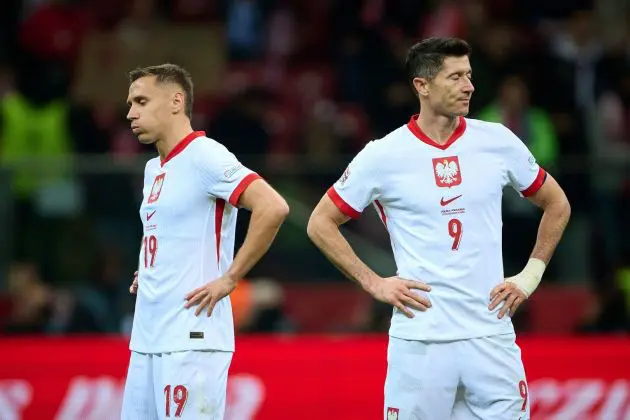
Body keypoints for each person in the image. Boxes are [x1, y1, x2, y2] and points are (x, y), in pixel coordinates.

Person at [307, 37, 571, 419]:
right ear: (422, 86)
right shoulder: (383, 155)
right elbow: (320, 222)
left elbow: (557, 203)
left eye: (469, 75)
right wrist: (374, 282)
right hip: (422, 341)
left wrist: (530, 275)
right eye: (455, 77)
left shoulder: (496, 140)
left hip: (490, 336)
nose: (469, 86)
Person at [121, 63, 289, 420]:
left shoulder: (205, 155)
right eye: (131, 103)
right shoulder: (154, 168)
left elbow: (272, 207)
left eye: (141, 101)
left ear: (176, 101)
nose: (130, 113)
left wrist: (231, 278)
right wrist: (149, 268)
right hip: (148, 335)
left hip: (190, 337)